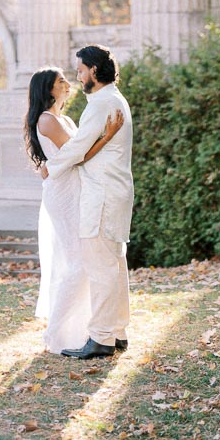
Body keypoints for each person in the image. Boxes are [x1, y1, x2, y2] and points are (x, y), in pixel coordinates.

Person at [42, 44, 134, 360]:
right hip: (113, 193)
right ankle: (117, 332)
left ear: (94, 70)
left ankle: (101, 338)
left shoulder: (102, 103)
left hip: (103, 196)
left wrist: (49, 167)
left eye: (80, 70)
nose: (78, 77)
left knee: (101, 266)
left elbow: (79, 147)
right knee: (114, 262)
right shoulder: (111, 100)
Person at [24, 67, 124, 354]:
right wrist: (108, 136)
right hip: (63, 194)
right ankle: (55, 331)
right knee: (78, 263)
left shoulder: (63, 119)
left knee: (83, 261)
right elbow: (77, 156)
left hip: (76, 189)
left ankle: (85, 329)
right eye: (60, 81)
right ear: (48, 89)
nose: (68, 83)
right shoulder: (47, 120)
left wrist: (104, 137)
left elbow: (80, 151)